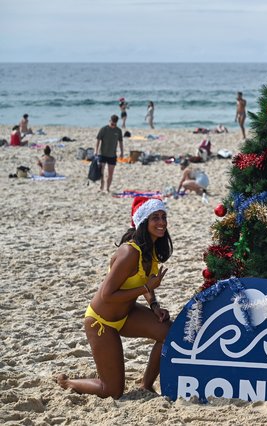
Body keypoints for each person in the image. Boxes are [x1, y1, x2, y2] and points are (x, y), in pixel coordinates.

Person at [57, 197, 173, 398]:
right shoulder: (129, 252)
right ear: (144, 221)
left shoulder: (150, 248)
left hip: (127, 314)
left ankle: (146, 385)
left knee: (168, 332)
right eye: (155, 217)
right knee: (112, 391)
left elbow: (144, 284)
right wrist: (146, 287)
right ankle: (67, 382)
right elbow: (107, 294)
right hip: (101, 322)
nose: (162, 222)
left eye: (164, 216)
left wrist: (154, 305)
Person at [96, 115, 124, 193]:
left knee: (110, 173)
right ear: (109, 121)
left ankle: (107, 188)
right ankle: (102, 185)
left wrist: (122, 152)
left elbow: (121, 142)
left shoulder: (118, 131)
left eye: (114, 124)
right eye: (112, 124)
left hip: (112, 155)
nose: (113, 125)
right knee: (101, 172)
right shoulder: (104, 129)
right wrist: (96, 150)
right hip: (102, 154)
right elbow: (98, 140)